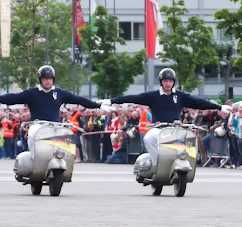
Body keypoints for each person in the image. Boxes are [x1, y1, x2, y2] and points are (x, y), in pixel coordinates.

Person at [100, 68, 233, 167]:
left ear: (173, 82)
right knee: (148, 138)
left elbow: (198, 102)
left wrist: (220, 107)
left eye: (170, 81)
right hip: (158, 129)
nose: (168, 84)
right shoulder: (153, 96)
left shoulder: (180, 96)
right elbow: (133, 98)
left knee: (190, 143)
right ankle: (158, 164)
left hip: (176, 129)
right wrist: (112, 101)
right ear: (161, 82)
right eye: (165, 81)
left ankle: (186, 165)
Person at [0, 65, 102, 155]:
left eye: (50, 79)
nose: (48, 81)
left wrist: (98, 105)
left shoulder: (59, 93)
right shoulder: (32, 92)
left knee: (63, 144)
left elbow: (78, 99)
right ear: (40, 80)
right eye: (45, 79)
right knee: (32, 135)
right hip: (37, 125)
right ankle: (33, 157)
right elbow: (13, 98)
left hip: (55, 126)